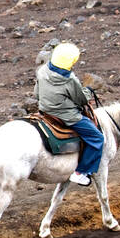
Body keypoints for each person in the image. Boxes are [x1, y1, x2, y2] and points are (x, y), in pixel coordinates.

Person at [36, 42, 102, 186]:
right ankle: (80, 172)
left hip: (44, 111)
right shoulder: (69, 79)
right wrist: (89, 90)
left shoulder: (42, 71)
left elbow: (36, 93)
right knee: (97, 137)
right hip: (66, 116)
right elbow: (81, 100)